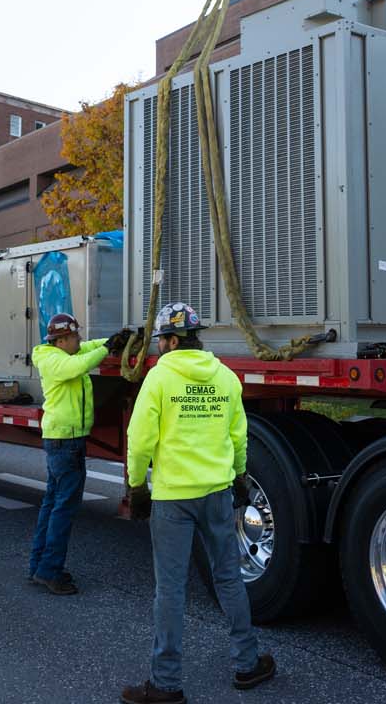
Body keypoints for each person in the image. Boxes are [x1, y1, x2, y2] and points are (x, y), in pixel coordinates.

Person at [121, 302, 275, 704]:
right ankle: (248, 664)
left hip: (173, 498)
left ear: (173, 340)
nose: (159, 346)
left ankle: (165, 684)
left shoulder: (159, 378)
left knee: (171, 590)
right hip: (217, 494)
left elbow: (140, 439)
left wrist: (137, 487)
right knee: (229, 578)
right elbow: (238, 436)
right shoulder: (225, 377)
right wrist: (239, 476)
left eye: (161, 340)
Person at [26, 313, 132, 595]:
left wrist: (115, 340)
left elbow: (88, 348)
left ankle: (39, 566)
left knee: (52, 504)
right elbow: (79, 365)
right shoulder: (54, 360)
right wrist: (107, 348)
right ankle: (50, 571)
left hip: (63, 441)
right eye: (75, 336)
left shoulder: (62, 352)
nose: (79, 340)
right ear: (61, 340)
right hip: (66, 442)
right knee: (63, 508)